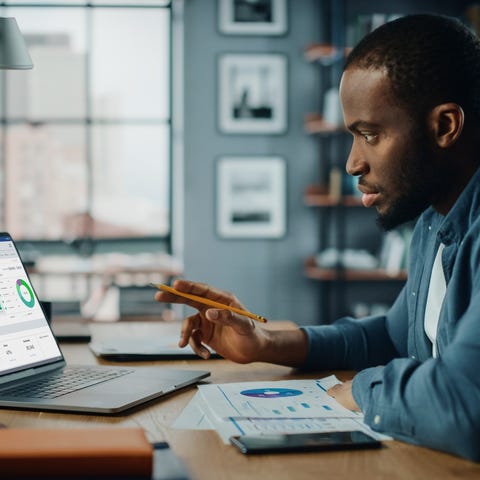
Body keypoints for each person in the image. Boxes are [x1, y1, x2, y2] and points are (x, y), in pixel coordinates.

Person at [155, 14, 480, 461]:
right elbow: (392, 336)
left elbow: (466, 401)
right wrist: (266, 342)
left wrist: (360, 392)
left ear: (445, 126)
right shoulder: (433, 220)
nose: (353, 164)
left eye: (370, 135)